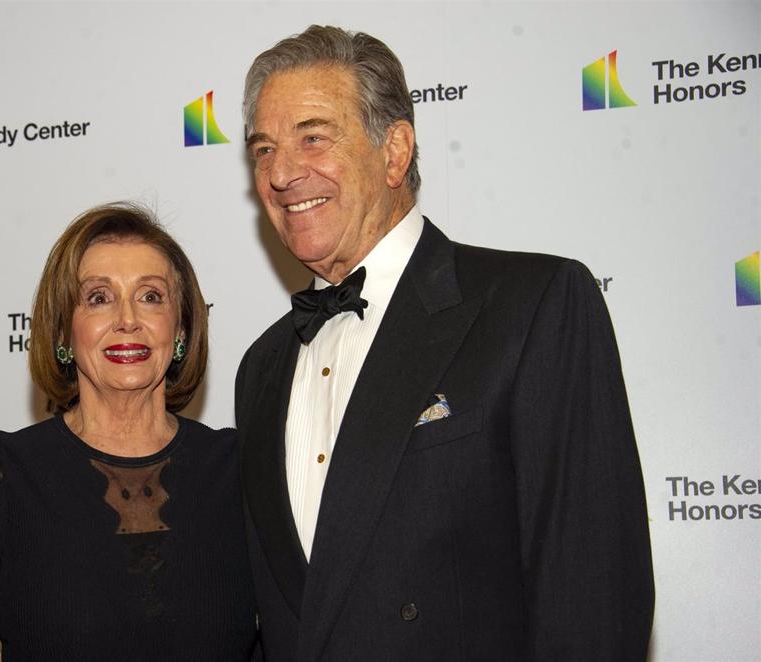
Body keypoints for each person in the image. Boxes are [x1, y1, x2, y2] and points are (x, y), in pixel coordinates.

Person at [235, 25, 654, 661]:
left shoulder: (533, 305)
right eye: (263, 150)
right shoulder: (261, 367)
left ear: (395, 151)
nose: (282, 172)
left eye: (312, 137)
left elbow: (594, 596)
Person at [0, 203, 257, 661]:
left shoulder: (240, 469)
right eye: (99, 298)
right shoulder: (3, 474)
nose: (127, 319)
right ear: (63, 332)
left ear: (181, 328)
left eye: (151, 296)